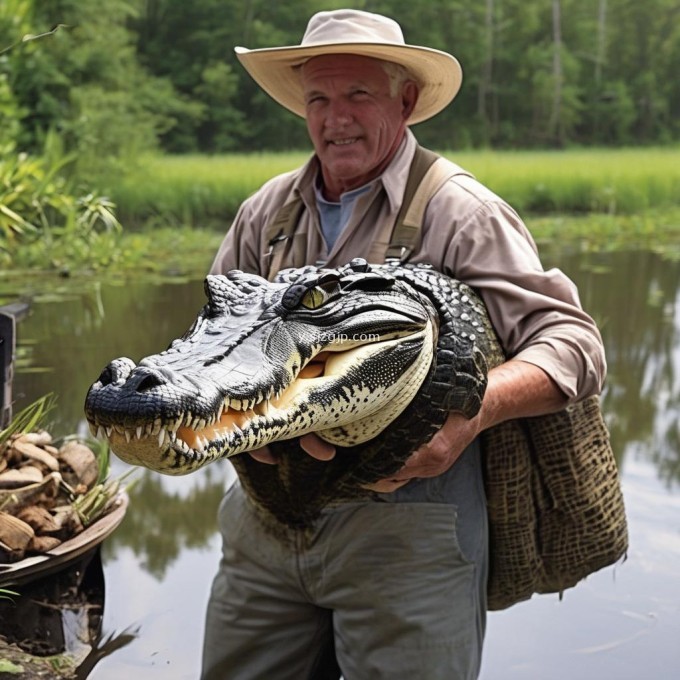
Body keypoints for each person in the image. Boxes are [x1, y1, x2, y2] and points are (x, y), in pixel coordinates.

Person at [202, 9, 606, 680]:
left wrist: (472, 413)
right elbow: (214, 338)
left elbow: (572, 342)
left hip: (409, 530)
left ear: (406, 101)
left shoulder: (458, 210)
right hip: (264, 524)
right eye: (320, 98)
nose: (337, 118)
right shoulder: (266, 213)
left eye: (359, 95)